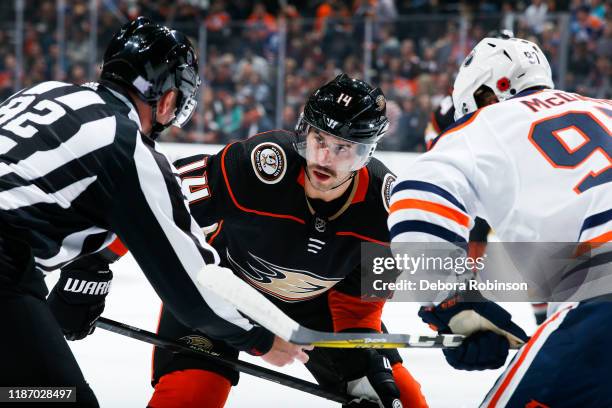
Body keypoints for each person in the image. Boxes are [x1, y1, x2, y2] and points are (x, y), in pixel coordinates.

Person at [49, 74, 429, 408]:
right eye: (318, 140)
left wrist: (370, 361)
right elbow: (155, 199)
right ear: (304, 131)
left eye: (344, 148)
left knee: (402, 400)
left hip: (321, 313)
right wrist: (93, 263)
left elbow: (356, 311)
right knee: (189, 397)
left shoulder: (388, 210)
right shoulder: (258, 166)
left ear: (366, 153)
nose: (325, 158)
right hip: (224, 294)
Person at [0, 17, 307, 407]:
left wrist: (84, 275)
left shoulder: (43, 93)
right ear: (166, 99)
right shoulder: (129, 148)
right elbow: (193, 287)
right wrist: (261, 338)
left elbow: (42, 194)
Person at [389, 35, 611, 407]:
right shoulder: (604, 106)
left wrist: (449, 302)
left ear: (484, 95)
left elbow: (417, 196)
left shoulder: (486, 124)